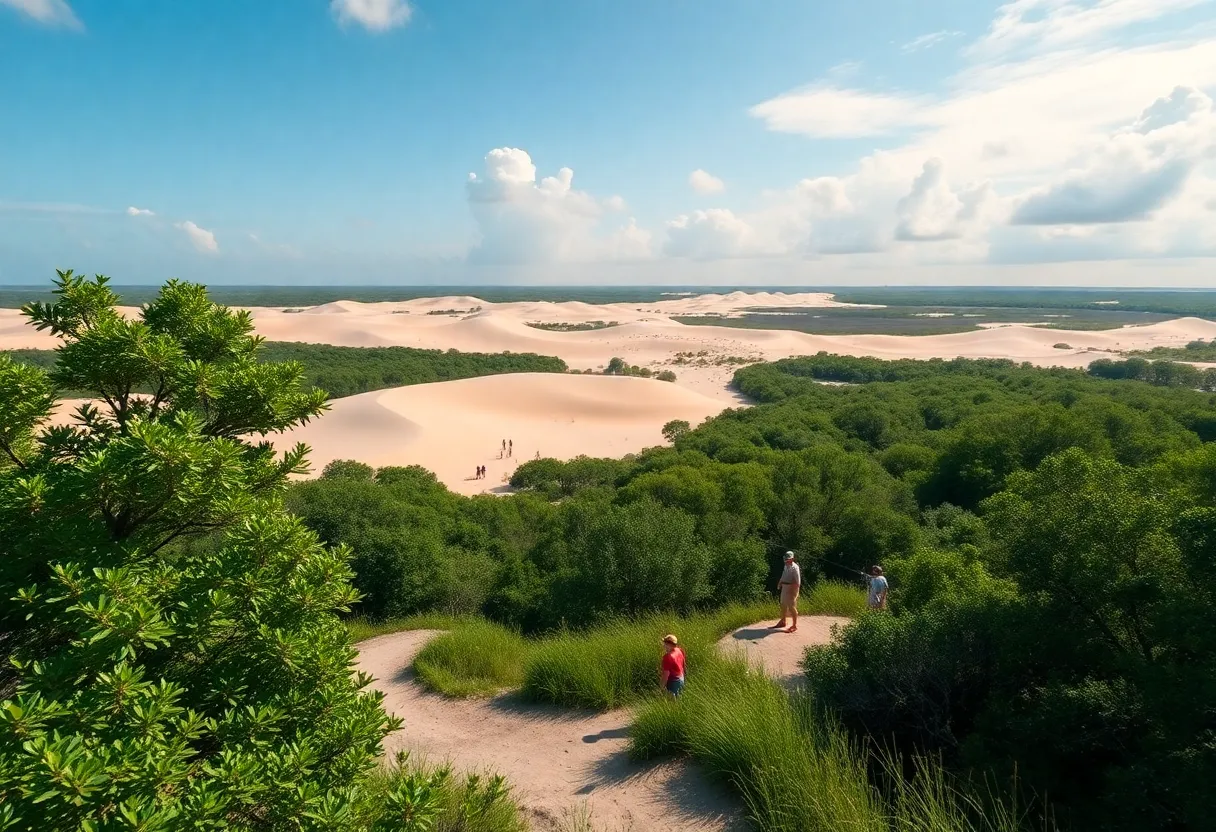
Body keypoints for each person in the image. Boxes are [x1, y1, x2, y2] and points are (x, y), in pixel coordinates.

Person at [773, 551, 801, 633]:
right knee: (783, 604)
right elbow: (783, 575)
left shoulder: (795, 568)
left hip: (791, 588)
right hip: (785, 587)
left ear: (792, 559)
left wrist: (792, 592)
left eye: (788, 559)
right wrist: (780, 583)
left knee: (792, 606)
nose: (786, 561)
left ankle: (794, 625)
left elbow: (797, 582)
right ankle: (783, 621)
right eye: (785, 559)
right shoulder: (786, 565)